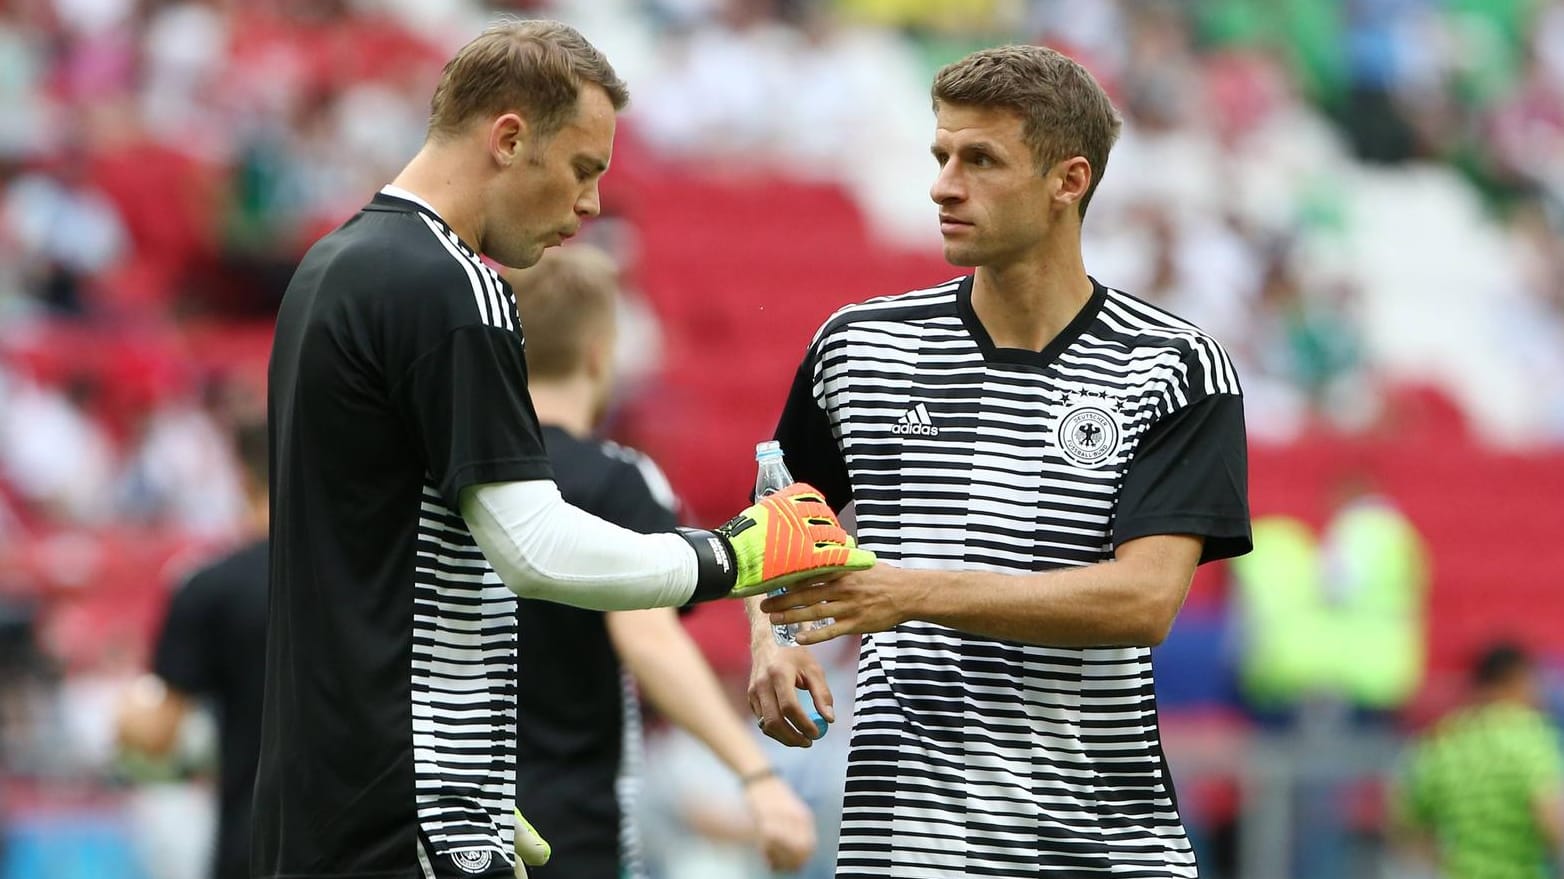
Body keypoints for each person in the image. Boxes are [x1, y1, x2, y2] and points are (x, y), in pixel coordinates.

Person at [256, 20, 871, 879]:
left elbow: (369, 552)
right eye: (584, 169)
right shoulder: (451, 283)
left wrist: (470, 763)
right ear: (509, 138)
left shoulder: (331, 267)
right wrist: (733, 555)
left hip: (325, 788)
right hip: (407, 811)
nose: (588, 206)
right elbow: (534, 546)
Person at [751, 45, 1252, 877]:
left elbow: (1144, 599)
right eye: (941, 155)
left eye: (980, 159)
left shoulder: (1174, 366)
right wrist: (771, 634)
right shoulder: (859, 345)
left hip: (1099, 845)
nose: (944, 185)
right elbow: (774, 520)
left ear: (1069, 180)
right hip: (903, 843)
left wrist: (906, 592)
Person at [501, 248, 816, 877]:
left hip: (444, 812)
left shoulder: (451, 479)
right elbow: (646, 636)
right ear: (601, 353)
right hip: (569, 821)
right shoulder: (618, 481)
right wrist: (756, 775)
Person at [116, 419, 269, 879]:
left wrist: (129, 707)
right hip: (366, 841)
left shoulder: (211, 588)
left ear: (241, 477)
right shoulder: (366, 581)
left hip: (254, 840)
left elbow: (153, 733)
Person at [1392, 642, 1563, 878]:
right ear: (1517, 680)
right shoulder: (1529, 736)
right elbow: (1551, 817)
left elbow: (1406, 824)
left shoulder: (1442, 741)